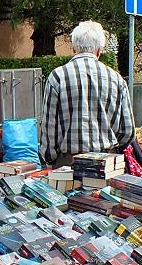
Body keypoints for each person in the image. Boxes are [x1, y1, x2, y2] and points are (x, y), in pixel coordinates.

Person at [39, 20, 134, 168]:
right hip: (106, 162)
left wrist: (50, 158)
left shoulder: (57, 76)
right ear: (99, 50)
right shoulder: (116, 79)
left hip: (68, 163)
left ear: (74, 48)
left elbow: (49, 126)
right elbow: (127, 131)